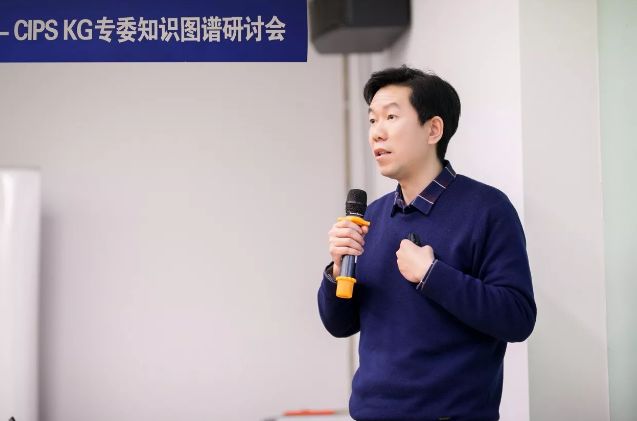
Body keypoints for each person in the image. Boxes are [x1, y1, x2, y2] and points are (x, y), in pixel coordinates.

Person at [317, 65, 537, 421]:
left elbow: (517, 318)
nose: (377, 132)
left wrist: (432, 275)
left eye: (391, 117)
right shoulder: (371, 217)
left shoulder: (487, 209)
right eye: (372, 120)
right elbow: (339, 324)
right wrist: (336, 267)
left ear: (433, 129)